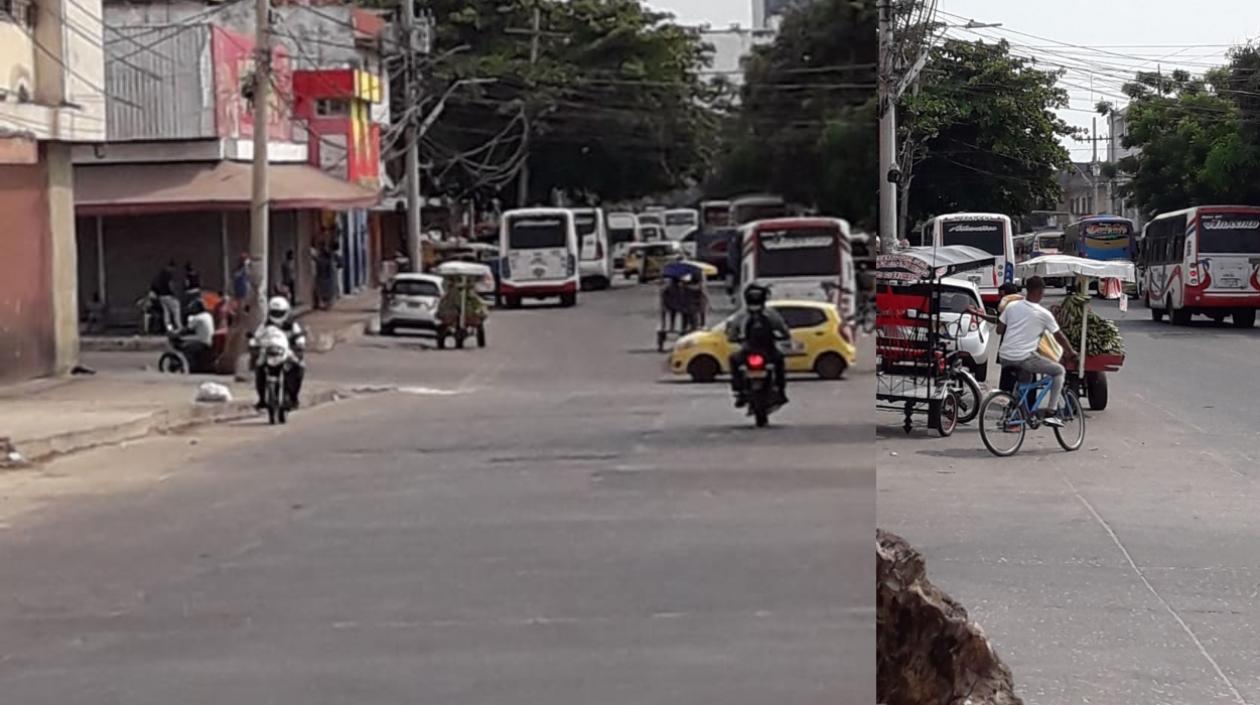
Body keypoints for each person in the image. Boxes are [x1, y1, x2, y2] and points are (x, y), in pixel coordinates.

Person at [988, 276, 1078, 427]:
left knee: (1025, 381)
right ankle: (1051, 412)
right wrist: (1071, 352)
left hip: (1004, 356)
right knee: (1058, 371)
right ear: (1040, 292)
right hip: (1024, 357)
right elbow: (1059, 336)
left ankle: (1021, 415)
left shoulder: (1011, 306)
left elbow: (999, 330)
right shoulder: (1043, 314)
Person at [726, 284, 792, 407]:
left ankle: (739, 391)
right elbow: (783, 330)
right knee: (779, 362)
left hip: (748, 351)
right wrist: (784, 336)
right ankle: (781, 391)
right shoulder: (771, 313)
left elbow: (731, 334)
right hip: (768, 351)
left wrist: (734, 338)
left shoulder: (741, 315)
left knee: (733, 360)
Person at [251, 296, 307, 410]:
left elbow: (299, 337)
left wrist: (299, 344)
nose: (277, 315)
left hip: (287, 353)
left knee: (300, 367)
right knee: (259, 368)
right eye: (274, 312)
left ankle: (293, 397)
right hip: (269, 353)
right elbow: (256, 337)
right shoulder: (265, 325)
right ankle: (262, 398)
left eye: (279, 312)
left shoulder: (292, 325)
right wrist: (254, 343)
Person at [177, 298, 216, 372]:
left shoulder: (197, 318)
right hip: (209, 341)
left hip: (203, 342)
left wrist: (176, 333)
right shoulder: (208, 315)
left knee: (185, 347)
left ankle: (193, 367)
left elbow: (186, 330)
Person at [150, 260, 180, 332]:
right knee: (176, 310)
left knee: (166, 313)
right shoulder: (168, 274)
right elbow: (170, 285)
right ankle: (179, 327)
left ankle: (169, 328)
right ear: (172, 267)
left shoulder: (160, 274)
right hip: (169, 295)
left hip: (161, 296)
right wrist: (174, 294)